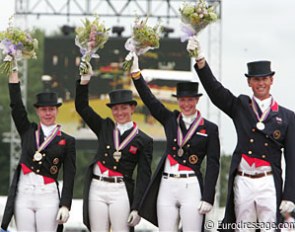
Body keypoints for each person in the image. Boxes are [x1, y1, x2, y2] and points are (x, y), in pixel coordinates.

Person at [188, 36, 295, 231]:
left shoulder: (287, 117)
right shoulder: (241, 107)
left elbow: (292, 159)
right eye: (256, 79)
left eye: (264, 79)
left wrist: (290, 195)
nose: (260, 83)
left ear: (272, 80)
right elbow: (216, 91)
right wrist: (201, 61)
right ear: (249, 82)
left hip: (268, 181)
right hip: (244, 180)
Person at [125, 52, 220, 231]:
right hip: (167, 184)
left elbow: (213, 164)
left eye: (190, 100)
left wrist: (208, 197)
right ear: (178, 101)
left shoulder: (210, 128)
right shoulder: (170, 120)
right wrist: (136, 74)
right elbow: (150, 100)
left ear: (197, 100)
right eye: (182, 100)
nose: (186, 104)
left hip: (191, 185)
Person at [75, 60, 153, 232]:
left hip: (121, 190)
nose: (120, 113)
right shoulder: (104, 127)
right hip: (97, 187)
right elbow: (81, 107)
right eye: (115, 109)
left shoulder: (144, 140)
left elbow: (143, 177)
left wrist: (137, 207)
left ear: (132, 108)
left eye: (124, 108)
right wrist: (84, 80)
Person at [1, 68, 76, 232]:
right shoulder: (28, 131)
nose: (48, 113)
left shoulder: (68, 141)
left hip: (47, 196)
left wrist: (65, 205)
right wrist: (13, 75)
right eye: (43, 109)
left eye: (51, 109)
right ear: (37, 111)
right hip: (24, 194)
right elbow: (16, 107)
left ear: (57, 110)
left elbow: (69, 175)